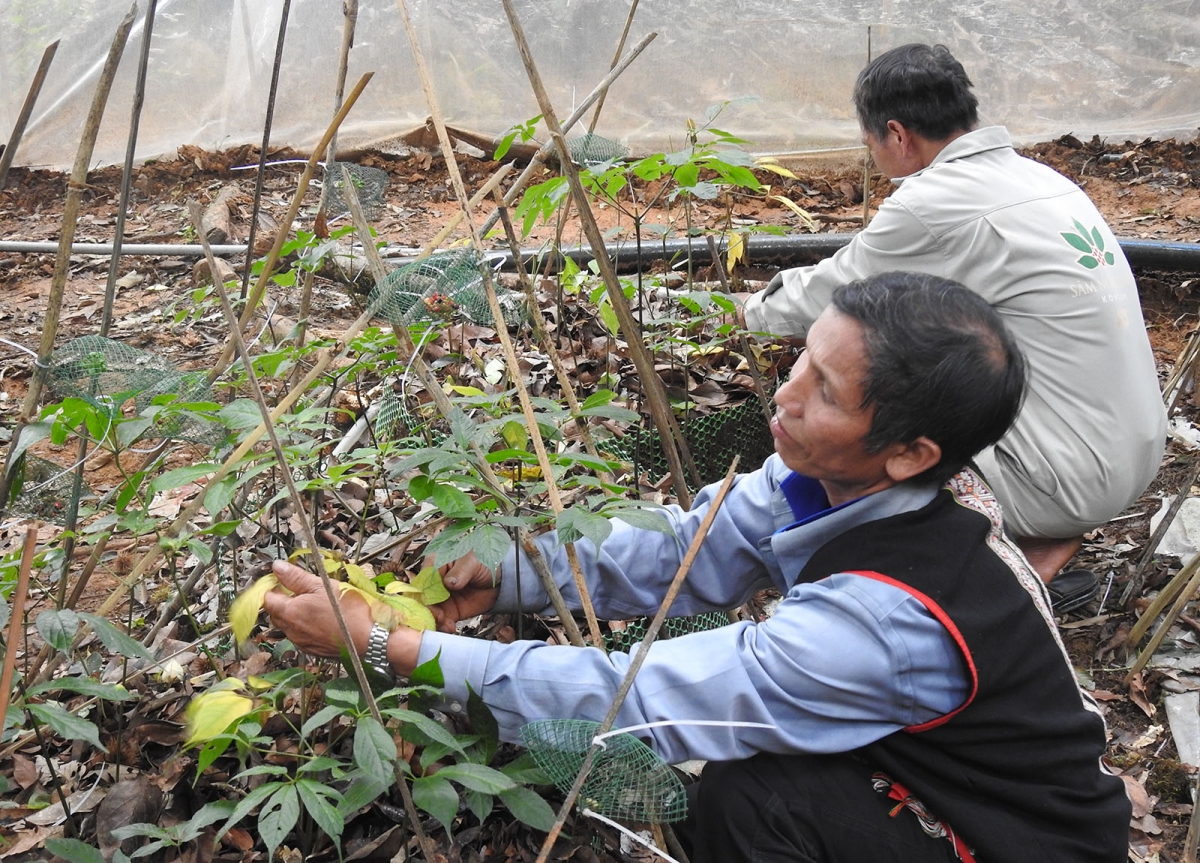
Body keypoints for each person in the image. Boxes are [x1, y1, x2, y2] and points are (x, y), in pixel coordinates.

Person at [265, 273, 1130, 863]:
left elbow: (636, 700)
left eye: (826, 391)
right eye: (803, 358)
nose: (785, 397)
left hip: (1022, 840)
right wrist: (517, 575)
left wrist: (389, 647)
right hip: (937, 774)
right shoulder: (830, 476)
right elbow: (689, 545)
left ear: (911, 452)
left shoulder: (885, 622)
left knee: (754, 804)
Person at [739, 43, 1166, 589]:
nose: (872, 154)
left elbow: (834, 293)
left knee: (870, 430)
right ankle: (1039, 536)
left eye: (870, 141)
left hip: (1063, 481)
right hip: (1131, 456)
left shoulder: (935, 202)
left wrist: (746, 310)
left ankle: (924, 578)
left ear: (897, 135)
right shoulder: (1044, 180)